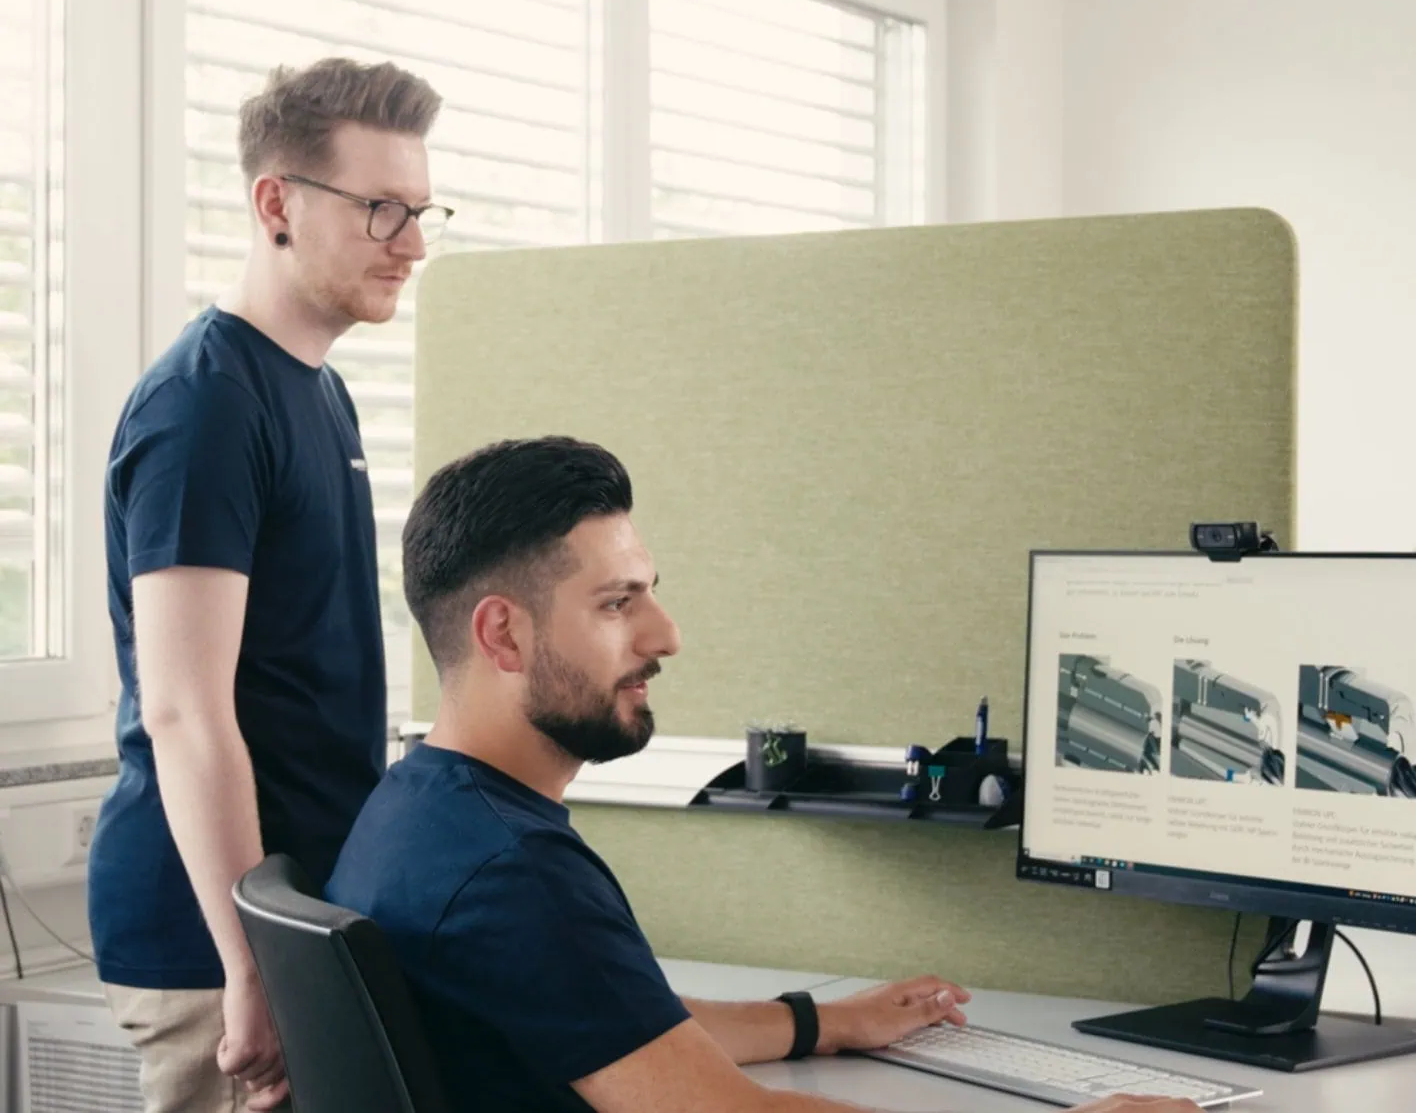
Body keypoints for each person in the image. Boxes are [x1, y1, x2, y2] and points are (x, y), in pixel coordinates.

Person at [325, 436, 1202, 1113]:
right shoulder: (515, 873)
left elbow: (621, 1022)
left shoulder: (418, 811)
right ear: (503, 634)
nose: (666, 635)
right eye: (617, 603)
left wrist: (823, 1021)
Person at [89, 57, 451, 1113]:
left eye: (422, 212)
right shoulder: (205, 407)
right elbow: (183, 711)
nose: (413, 244)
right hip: (215, 934)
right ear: (275, 205)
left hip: (298, 910)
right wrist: (252, 964)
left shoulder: (320, 393)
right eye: (382, 209)